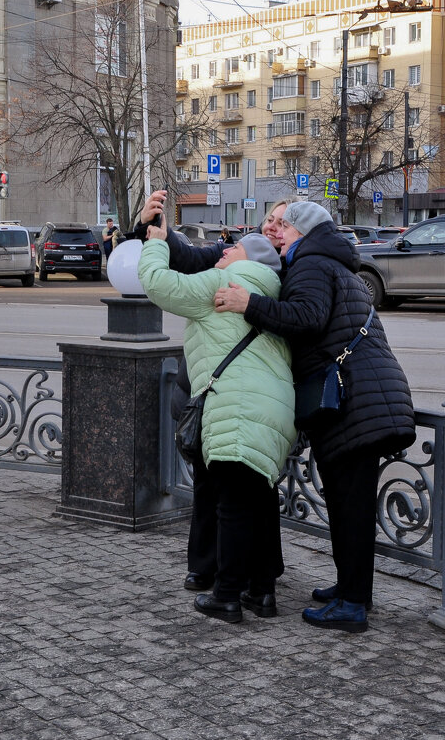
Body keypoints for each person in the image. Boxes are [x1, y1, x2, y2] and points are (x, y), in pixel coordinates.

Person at [213, 201, 415, 633]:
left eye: (286, 226)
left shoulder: (311, 265)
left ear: (303, 231)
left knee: (351, 508)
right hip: (365, 397)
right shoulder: (334, 264)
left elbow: (307, 318)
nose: (279, 232)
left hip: (352, 404)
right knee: (348, 506)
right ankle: (349, 588)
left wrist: (248, 303)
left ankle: (353, 603)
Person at [138, 225, 297, 624]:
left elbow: (158, 284)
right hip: (274, 410)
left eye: (235, 248)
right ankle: (262, 593)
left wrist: (155, 245)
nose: (225, 251)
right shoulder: (269, 295)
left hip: (236, 407)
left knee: (232, 507)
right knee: (258, 502)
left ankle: (226, 596)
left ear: (253, 258)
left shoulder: (226, 282)